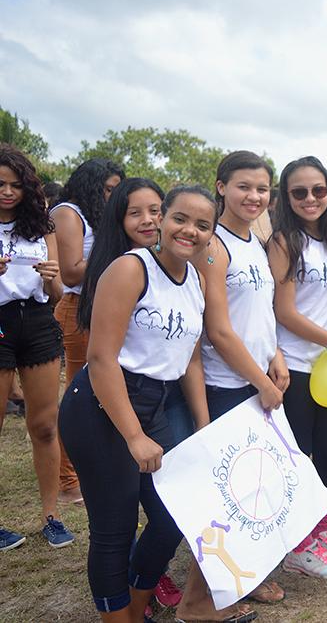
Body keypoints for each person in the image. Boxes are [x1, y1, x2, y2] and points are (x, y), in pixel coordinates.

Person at [59, 185, 217, 621]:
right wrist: (133, 435)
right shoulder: (131, 269)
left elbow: (191, 362)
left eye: (203, 225)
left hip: (156, 405)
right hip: (101, 405)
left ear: (211, 234)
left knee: (171, 518)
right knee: (115, 528)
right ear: (162, 219)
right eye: (181, 218)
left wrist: (202, 428)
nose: (190, 231)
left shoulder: (196, 282)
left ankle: (136, 606)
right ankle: (119, 617)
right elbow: (100, 358)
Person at [171, 151, 289, 621]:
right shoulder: (213, 246)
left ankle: (242, 578)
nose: (254, 196)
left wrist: (275, 356)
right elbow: (218, 331)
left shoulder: (254, 241)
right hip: (227, 387)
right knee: (226, 498)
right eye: (243, 186)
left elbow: (259, 314)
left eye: (262, 189)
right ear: (221, 187)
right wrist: (261, 379)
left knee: (253, 491)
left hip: (256, 381)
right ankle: (198, 605)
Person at [269, 156, 327, 579]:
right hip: (296, 365)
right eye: (299, 192)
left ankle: (322, 528)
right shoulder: (284, 242)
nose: (311, 199)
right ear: (286, 198)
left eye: (318, 190)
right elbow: (284, 311)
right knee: (299, 456)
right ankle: (297, 541)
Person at [0, 144, 73, 552]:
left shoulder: (42, 226)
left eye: (15, 185)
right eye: (0, 185)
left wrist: (50, 278)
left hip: (39, 321)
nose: (7, 192)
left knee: (45, 425)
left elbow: (58, 292)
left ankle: (52, 517)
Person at [51, 157, 125, 505]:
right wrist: (117, 253)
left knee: (105, 392)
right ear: (91, 185)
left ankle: (96, 467)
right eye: (108, 189)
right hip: (79, 308)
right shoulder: (69, 212)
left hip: (105, 309)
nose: (112, 196)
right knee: (80, 395)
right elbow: (71, 272)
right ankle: (68, 479)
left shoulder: (99, 215)